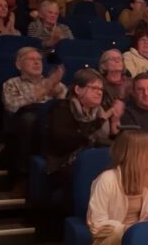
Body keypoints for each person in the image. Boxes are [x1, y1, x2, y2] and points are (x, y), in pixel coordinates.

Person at [44, 69, 124, 200]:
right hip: (64, 161)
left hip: (92, 157)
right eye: (94, 88)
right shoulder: (62, 109)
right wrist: (102, 120)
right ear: (78, 90)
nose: (99, 92)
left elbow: (108, 138)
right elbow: (66, 140)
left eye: (101, 89)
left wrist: (114, 119)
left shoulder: (98, 112)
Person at [2, 47, 67, 193]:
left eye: (39, 60)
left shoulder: (54, 84)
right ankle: (23, 175)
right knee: (29, 119)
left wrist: (57, 90)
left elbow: (67, 105)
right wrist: (44, 90)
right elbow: (12, 106)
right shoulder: (11, 83)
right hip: (24, 124)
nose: (37, 63)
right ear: (19, 65)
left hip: (51, 123)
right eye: (32, 59)